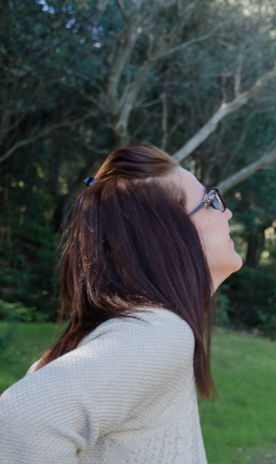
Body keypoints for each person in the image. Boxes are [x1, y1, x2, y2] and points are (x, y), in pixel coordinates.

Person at [0, 144, 243, 463]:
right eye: (210, 202)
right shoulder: (159, 334)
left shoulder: (132, 331)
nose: (227, 212)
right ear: (167, 237)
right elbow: (21, 419)